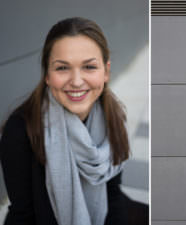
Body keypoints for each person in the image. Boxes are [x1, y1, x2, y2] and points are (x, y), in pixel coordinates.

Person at [0, 17, 131, 225]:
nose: (77, 81)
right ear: (47, 75)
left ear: (106, 71)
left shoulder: (113, 117)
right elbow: (23, 216)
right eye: (62, 68)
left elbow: (113, 195)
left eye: (89, 67)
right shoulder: (20, 131)